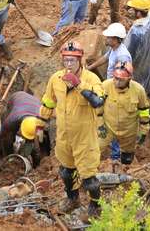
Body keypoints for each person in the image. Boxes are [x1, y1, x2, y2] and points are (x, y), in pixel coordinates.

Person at [40, 42, 105, 218]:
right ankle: (72, 198)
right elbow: (49, 101)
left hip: (84, 137)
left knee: (89, 179)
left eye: (72, 60)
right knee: (66, 172)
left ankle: (95, 206)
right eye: (66, 60)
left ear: (80, 60)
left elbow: (98, 101)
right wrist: (41, 122)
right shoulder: (56, 79)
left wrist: (79, 85)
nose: (69, 64)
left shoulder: (91, 79)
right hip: (64, 135)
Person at [99, 61, 150, 165]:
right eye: (115, 78)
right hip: (108, 128)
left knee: (127, 156)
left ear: (129, 79)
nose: (117, 82)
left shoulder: (138, 90)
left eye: (121, 80)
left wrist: (144, 130)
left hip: (129, 130)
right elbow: (98, 108)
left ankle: (126, 169)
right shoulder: (105, 86)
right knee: (96, 149)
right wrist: (99, 124)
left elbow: (144, 110)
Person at [1, 94, 50, 166]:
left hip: (34, 101)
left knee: (34, 143)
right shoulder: (11, 121)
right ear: (20, 127)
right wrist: (9, 156)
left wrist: (38, 164)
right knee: (8, 138)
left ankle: (26, 154)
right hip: (16, 97)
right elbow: (4, 138)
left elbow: (42, 147)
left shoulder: (42, 122)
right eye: (25, 135)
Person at [124, 0, 150, 97]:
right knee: (146, 78)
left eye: (133, 10)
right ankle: (148, 93)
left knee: (137, 85)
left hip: (138, 63)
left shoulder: (137, 31)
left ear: (138, 12)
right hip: (149, 57)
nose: (131, 12)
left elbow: (130, 53)